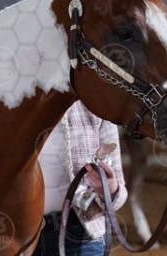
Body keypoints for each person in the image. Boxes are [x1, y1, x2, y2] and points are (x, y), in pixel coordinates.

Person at [32, 100, 127, 256]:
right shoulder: (13, 102)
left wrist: (108, 188)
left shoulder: (99, 104)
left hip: (80, 233)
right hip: (19, 235)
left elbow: (118, 196)